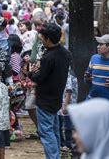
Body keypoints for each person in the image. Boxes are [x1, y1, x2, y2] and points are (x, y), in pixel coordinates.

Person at [28, 23, 72, 159]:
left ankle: (53, 157)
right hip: (57, 98)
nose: (40, 39)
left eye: (42, 37)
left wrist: (30, 73)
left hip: (45, 99)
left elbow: (39, 78)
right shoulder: (66, 53)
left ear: (47, 39)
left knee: (47, 133)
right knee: (54, 131)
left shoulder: (48, 57)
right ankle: (55, 156)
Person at [84, 34, 109, 102]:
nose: (98, 47)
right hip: (93, 101)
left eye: (101, 44)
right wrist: (87, 79)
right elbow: (87, 81)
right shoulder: (94, 58)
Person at [59, 68, 77, 152]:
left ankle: (66, 145)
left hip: (67, 104)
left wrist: (65, 105)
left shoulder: (67, 72)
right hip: (67, 104)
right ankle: (65, 145)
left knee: (67, 126)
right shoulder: (70, 72)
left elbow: (68, 90)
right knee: (66, 125)